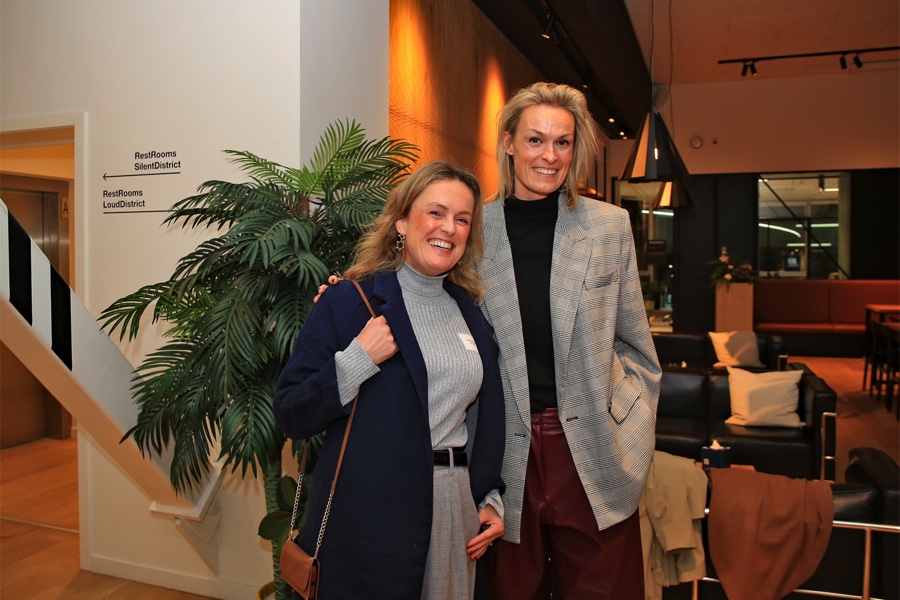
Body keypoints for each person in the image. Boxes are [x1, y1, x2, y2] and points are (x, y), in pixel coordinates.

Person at [273, 160, 506, 600]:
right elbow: (291, 412)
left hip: (454, 507)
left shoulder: (471, 310)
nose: (449, 228)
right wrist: (358, 358)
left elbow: (485, 416)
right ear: (401, 221)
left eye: (462, 219)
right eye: (435, 212)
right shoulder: (350, 300)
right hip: (371, 512)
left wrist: (489, 494)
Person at [478, 82, 661, 599]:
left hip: (595, 447)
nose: (550, 155)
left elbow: (636, 347)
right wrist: (348, 297)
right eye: (536, 140)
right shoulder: (473, 229)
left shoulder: (609, 227)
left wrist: (633, 428)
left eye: (563, 142)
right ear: (509, 141)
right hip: (503, 452)